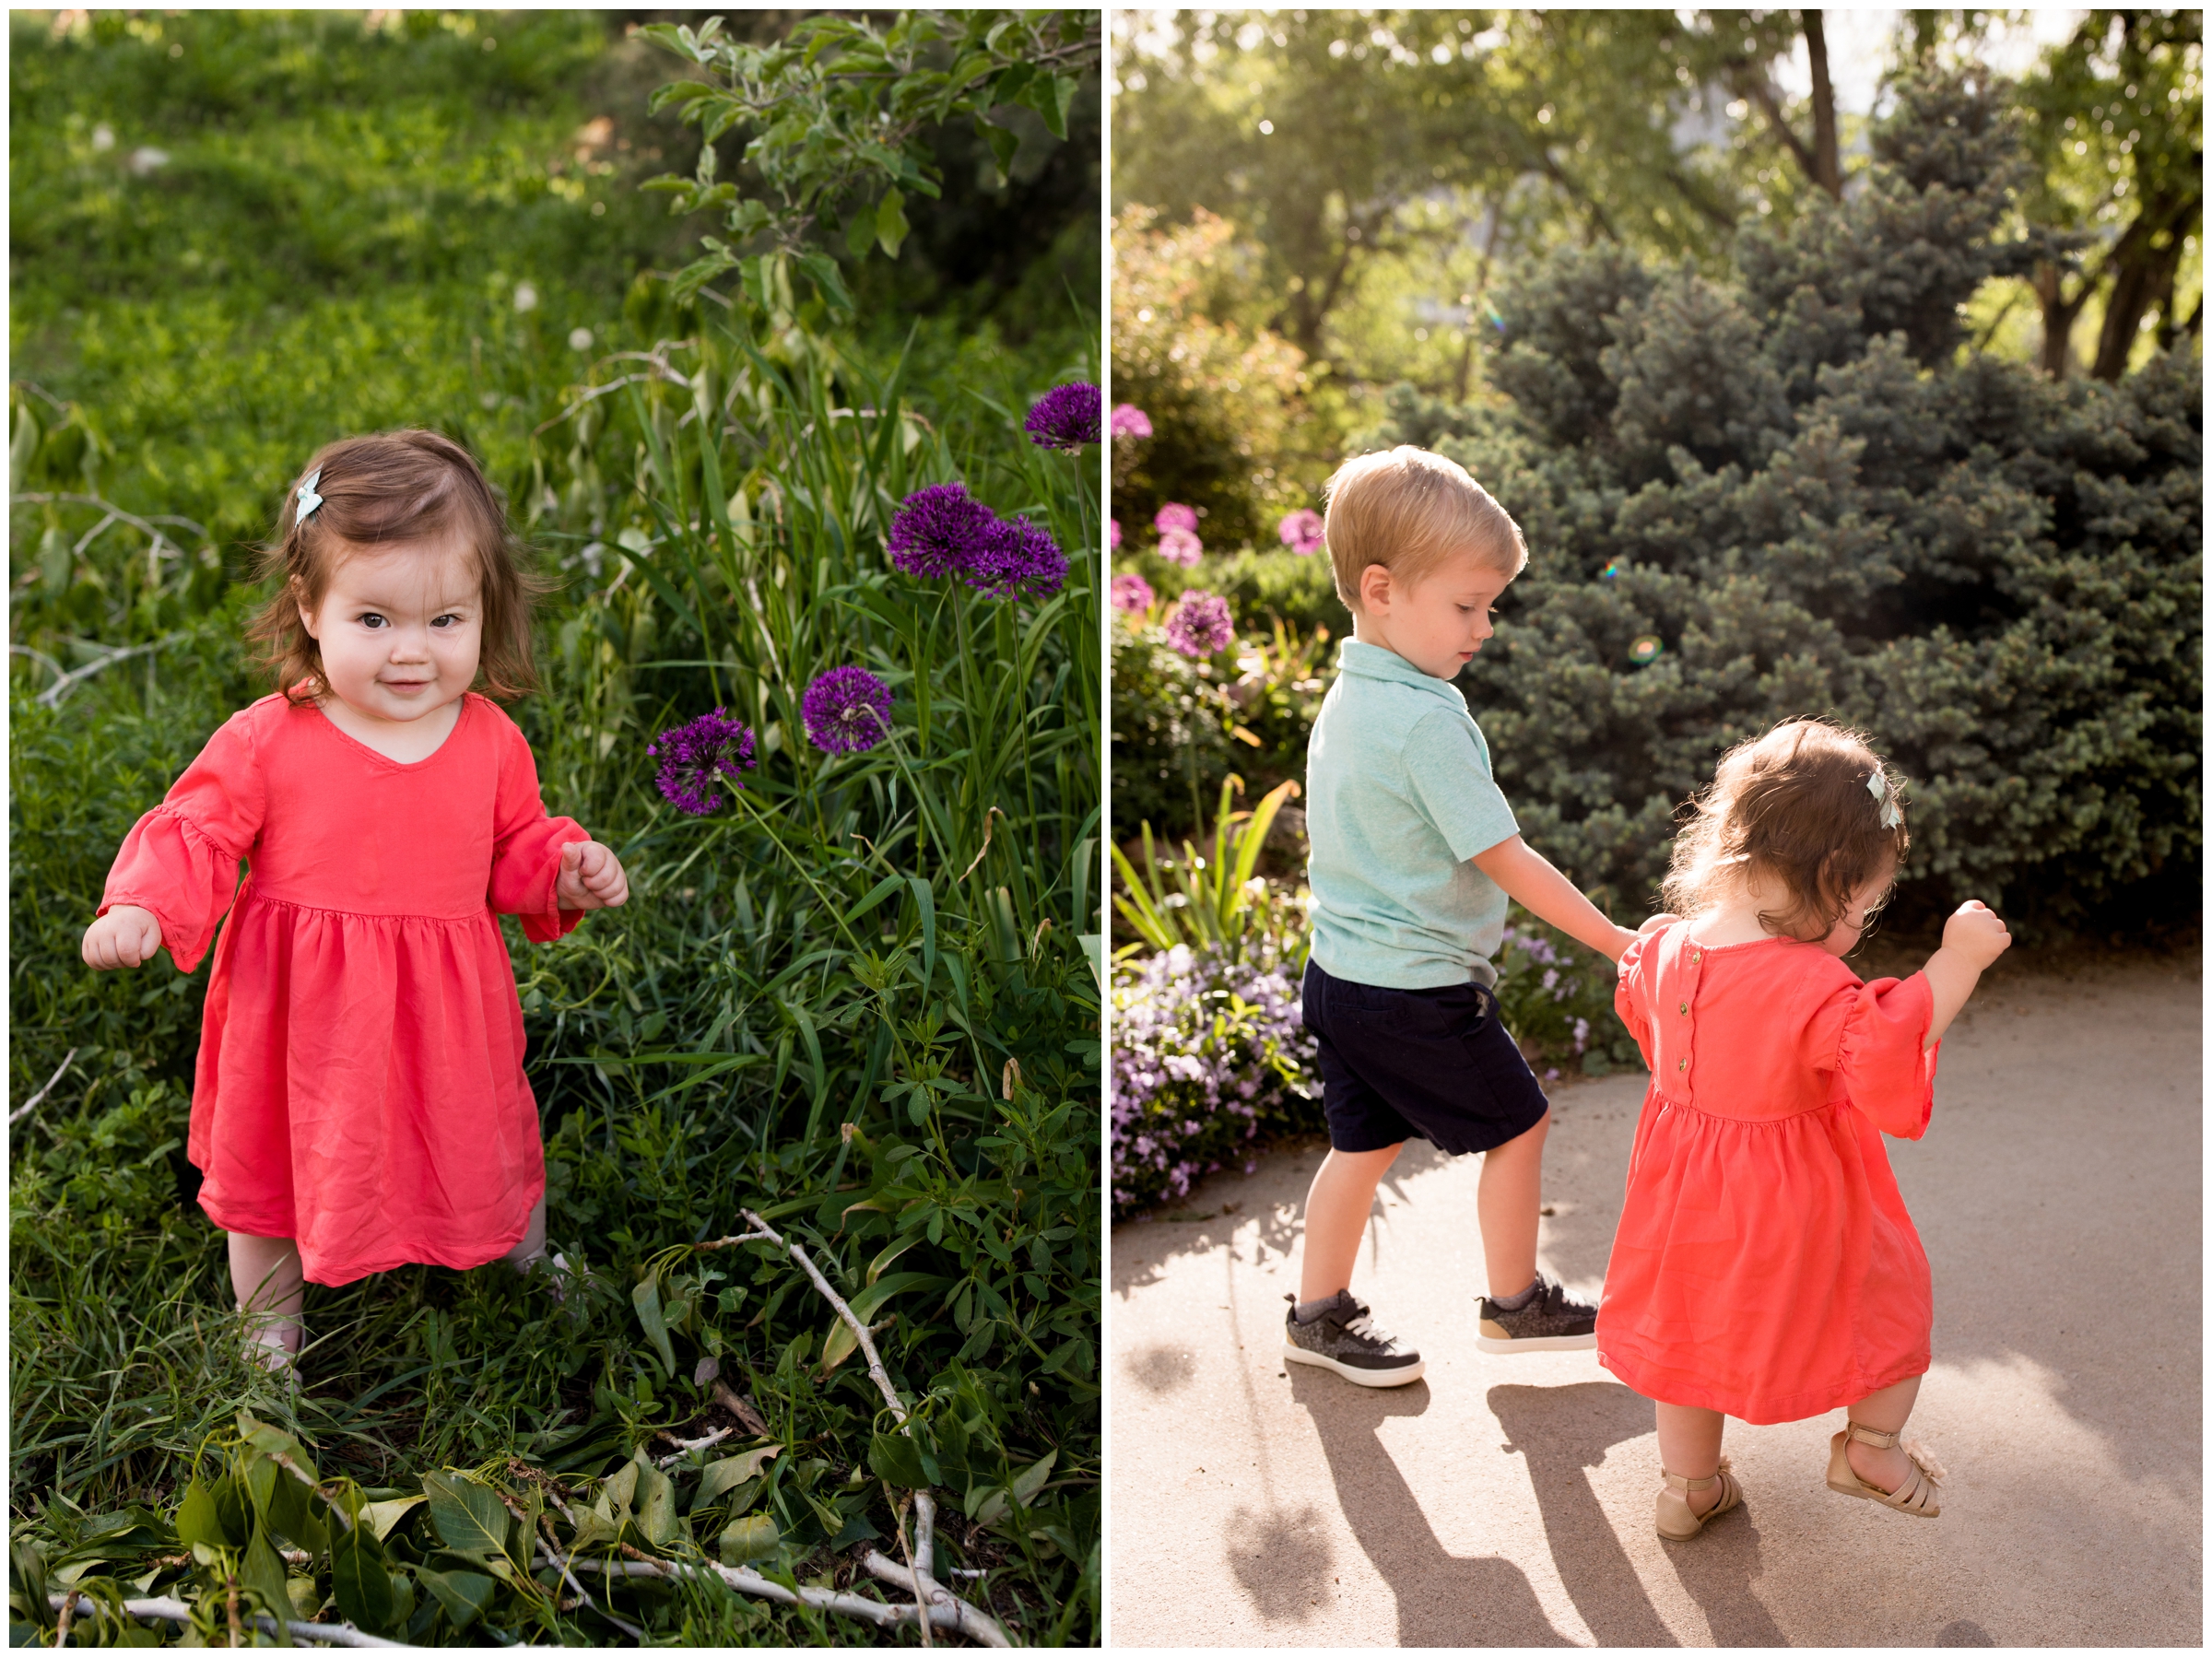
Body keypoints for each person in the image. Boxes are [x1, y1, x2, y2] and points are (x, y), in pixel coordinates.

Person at [80, 429, 629, 1374]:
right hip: (301, 1016)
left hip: (444, 1012)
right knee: (272, 1166)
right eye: (374, 620)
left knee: (483, 1132)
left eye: (444, 621)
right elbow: (199, 830)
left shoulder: (490, 740)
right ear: (310, 604)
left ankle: (521, 1255)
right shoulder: (271, 739)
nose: (411, 653)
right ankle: (269, 1315)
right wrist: (143, 904)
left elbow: (511, 849)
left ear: (482, 610)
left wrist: (563, 866)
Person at [1600, 719, 2010, 1538]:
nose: (1864, 922)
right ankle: (1871, 1448)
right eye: (1864, 902)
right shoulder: (1813, 984)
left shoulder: (1666, 948)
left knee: (1686, 1334)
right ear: (1830, 875)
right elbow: (1891, 1043)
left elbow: (1657, 1030)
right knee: (1888, 1296)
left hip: (1679, 1199)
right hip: (1796, 1199)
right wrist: (1956, 962)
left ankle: (1688, 1489)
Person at [1284, 446, 1641, 1388]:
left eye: (1491, 607)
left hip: (1342, 978)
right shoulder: (1425, 720)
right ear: (1381, 588)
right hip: (1413, 990)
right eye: (1466, 606)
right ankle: (1516, 1305)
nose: (1483, 628)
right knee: (1518, 1127)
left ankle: (1316, 1313)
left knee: (1359, 1148)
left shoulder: (1352, 695)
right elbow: (1506, 857)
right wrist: (1616, 941)